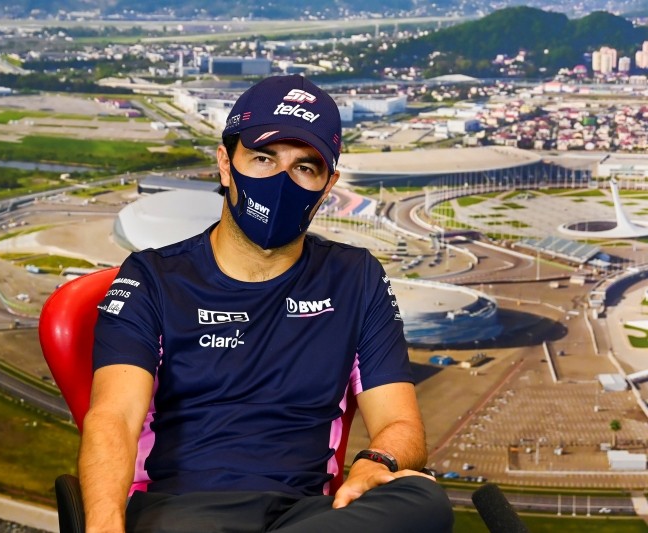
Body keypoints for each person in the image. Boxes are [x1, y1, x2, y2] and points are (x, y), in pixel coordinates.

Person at [81, 75, 453, 533]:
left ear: (328, 184)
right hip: (182, 508)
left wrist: (376, 461)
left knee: (423, 498)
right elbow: (113, 417)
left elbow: (400, 421)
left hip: (306, 512)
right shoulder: (153, 277)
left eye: (305, 168)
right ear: (225, 163)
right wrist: (102, 525)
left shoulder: (356, 278)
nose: (281, 181)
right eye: (262, 158)